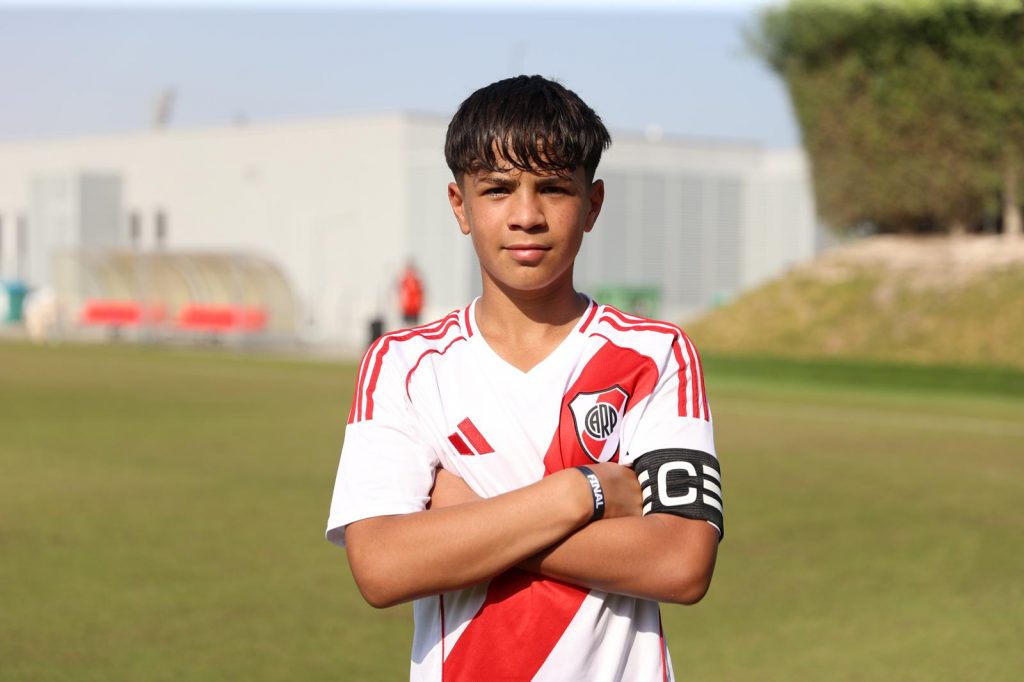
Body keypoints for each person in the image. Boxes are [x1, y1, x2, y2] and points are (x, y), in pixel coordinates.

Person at [326, 75, 723, 681]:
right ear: (459, 205)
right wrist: (581, 493)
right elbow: (382, 568)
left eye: (554, 188)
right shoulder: (404, 365)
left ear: (592, 205)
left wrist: (469, 518)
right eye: (498, 189)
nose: (527, 216)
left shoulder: (655, 354)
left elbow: (681, 563)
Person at [398, 260, 425, 326]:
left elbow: (421, 295)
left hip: (414, 309)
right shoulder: (404, 281)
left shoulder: (417, 282)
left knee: (413, 327)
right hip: (407, 309)